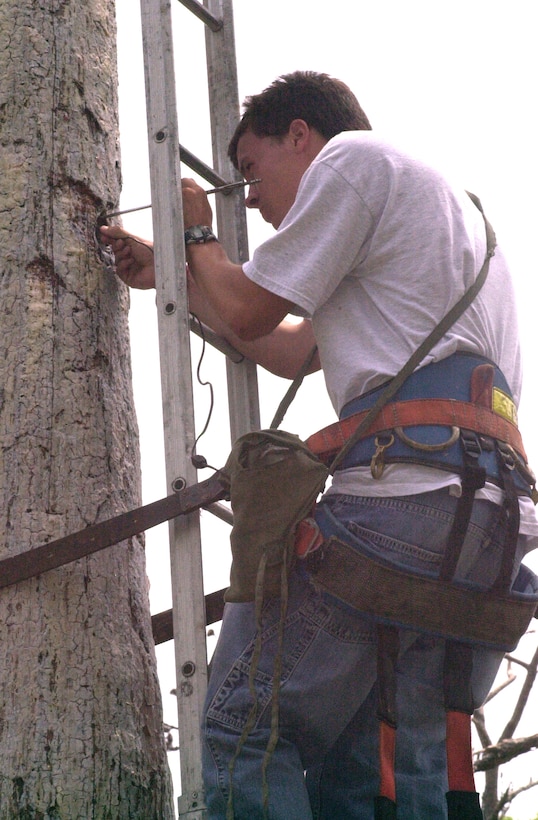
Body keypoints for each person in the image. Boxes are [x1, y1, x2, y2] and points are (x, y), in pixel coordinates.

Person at [101, 71, 538, 819]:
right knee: (373, 769)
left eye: (251, 172)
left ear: (300, 135)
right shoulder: (443, 216)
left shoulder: (352, 162)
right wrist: (173, 274)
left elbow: (246, 314)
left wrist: (198, 231)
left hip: (404, 509)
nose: (257, 203)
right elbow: (285, 347)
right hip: (486, 526)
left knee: (246, 728)